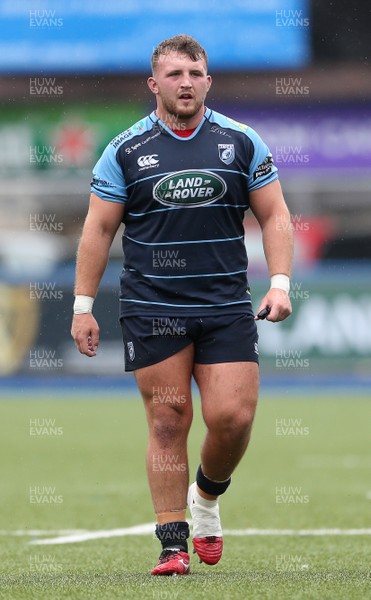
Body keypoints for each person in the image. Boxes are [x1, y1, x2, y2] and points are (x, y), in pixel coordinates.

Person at [71, 34, 293, 576]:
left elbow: (276, 216)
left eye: (194, 74)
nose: (185, 83)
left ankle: (208, 499)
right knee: (169, 421)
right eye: (174, 75)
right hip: (152, 307)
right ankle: (172, 545)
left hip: (224, 305)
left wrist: (281, 282)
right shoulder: (124, 149)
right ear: (155, 84)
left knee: (233, 418)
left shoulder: (241, 142)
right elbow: (99, 229)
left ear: (208, 81)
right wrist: (81, 304)